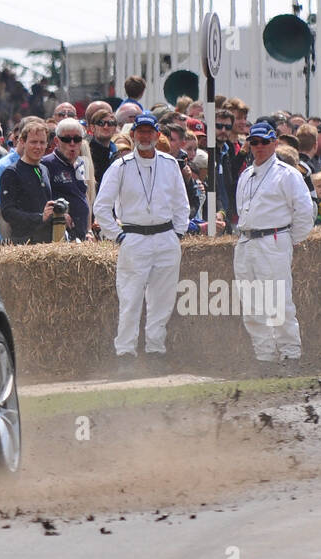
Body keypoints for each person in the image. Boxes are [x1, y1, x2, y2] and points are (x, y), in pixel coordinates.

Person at [93, 113, 190, 376]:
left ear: (158, 134)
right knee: (130, 298)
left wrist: (178, 233)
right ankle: (125, 353)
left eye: (149, 132)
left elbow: (182, 203)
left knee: (162, 298)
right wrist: (119, 235)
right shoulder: (120, 167)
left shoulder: (170, 164)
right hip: (134, 237)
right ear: (133, 134)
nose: (145, 137)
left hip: (165, 237)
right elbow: (101, 207)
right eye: (140, 132)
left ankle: (156, 351)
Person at [232, 121, 315, 374]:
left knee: (279, 301)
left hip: (274, 239)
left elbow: (305, 212)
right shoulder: (245, 175)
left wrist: (290, 239)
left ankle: (290, 354)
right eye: (254, 142)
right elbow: (240, 210)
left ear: (274, 143)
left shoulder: (288, 174)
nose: (258, 147)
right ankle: (264, 357)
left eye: (264, 142)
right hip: (247, 241)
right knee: (251, 303)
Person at [0, 117, 62, 245]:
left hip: (47, 242)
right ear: (22, 142)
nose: (38, 147)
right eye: (33, 142)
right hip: (24, 244)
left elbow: (43, 204)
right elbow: (8, 212)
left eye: (42, 142)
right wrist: (39, 217)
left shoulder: (44, 169)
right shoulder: (11, 172)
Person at [41, 117, 90, 240]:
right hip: (59, 232)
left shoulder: (83, 162)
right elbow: (41, 198)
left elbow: (85, 196)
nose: (72, 144)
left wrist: (89, 229)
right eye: (67, 139)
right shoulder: (46, 164)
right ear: (57, 141)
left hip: (81, 232)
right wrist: (59, 213)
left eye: (77, 139)